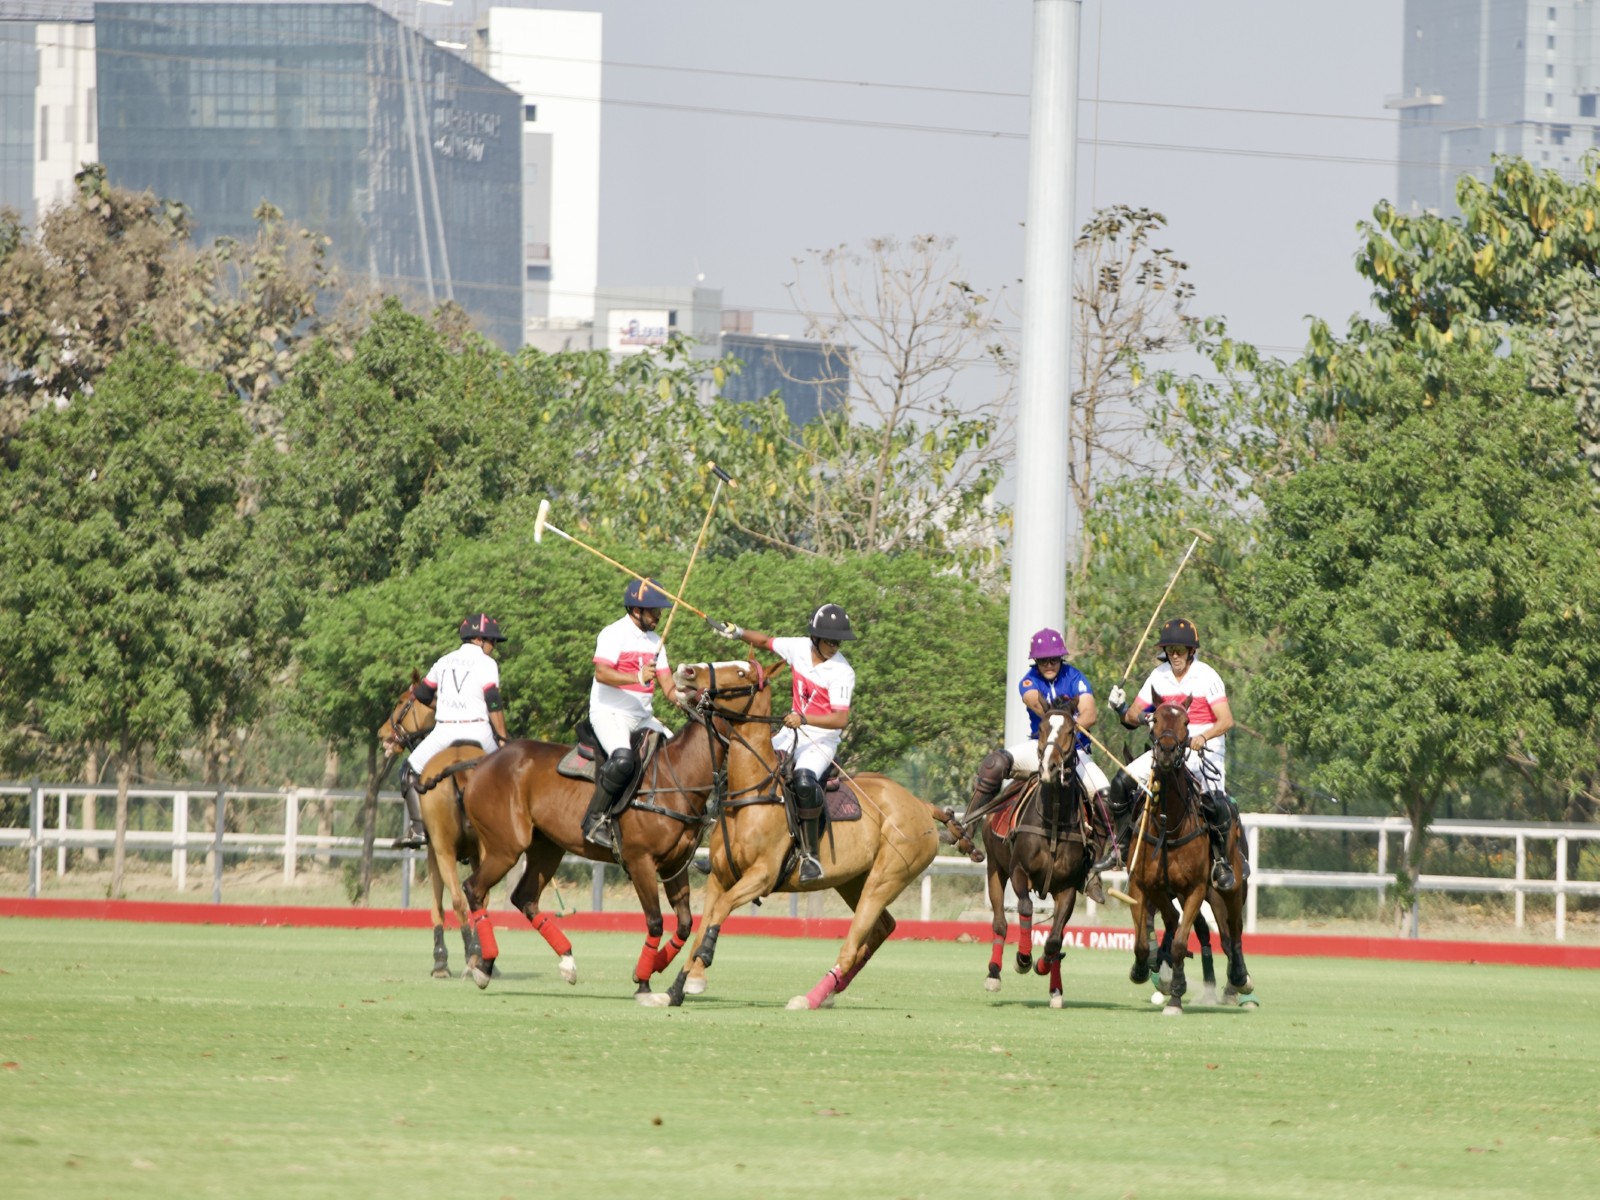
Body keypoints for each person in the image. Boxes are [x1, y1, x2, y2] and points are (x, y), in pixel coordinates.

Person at [706, 603, 857, 883]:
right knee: (746, 767)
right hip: (791, 731)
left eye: (839, 641)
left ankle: (810, 854)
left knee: (802, 780)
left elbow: (840, 719)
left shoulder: (842, 672)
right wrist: (737, 632)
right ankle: (723, 843)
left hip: (821, 740)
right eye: (830, 641)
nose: (835, 646)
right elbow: (764, 642)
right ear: (815, 638)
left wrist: (803, 718)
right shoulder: (799, 648)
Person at [965, 628, 1112, 900]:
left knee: (1104, 794)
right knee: (994, 764)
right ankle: (967, 828)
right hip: (1040, 746)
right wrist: (1056, 721)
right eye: (1043, 661)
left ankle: (1094, 870)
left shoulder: (1076, 677)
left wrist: (1069, 727)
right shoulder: (1029, 681)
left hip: (1074, 750)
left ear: (1061, 659)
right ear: (1036, 662)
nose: (1049, 665)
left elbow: (1089, 712)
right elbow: (1034, 702)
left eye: (1053, 660)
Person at [1104, 616, 1238, 888]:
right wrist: (1121, 708)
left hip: (1203, 750)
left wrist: (1203, 736)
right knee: (1119, 784)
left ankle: (1220, 861)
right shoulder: (1158, 676)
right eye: (1170, 650)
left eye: (1180, 650)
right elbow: (1134, 716)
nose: (1174, 655)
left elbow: (1226, 720)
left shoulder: (1207, 676)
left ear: (1191, 651)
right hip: (1166, 750)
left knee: (1215, 802)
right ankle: (1123, 848)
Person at [582, 578, 684, 851]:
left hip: (642, 717)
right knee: (623, 759)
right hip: (609, 713)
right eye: (654, 611)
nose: (659, 616)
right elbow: (601, 673)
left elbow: (669, 689)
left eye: (660, 610)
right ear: (636, 610)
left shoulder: (655, 642)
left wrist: (688, 697)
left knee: (683, 754)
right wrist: (637, 676)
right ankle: (594, 819)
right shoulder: (613, 634)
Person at [395, 613, 509, 849]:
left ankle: (417, 828)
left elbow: (423, 695)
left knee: (408, 770)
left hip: (444, 733)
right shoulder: (487, 663)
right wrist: (503, 739)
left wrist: (445, 704)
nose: (494, 647)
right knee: (508, 772)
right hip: (479, 731)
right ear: (479, 639)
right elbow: (493, 700)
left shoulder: (444, 661)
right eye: (492, 641)